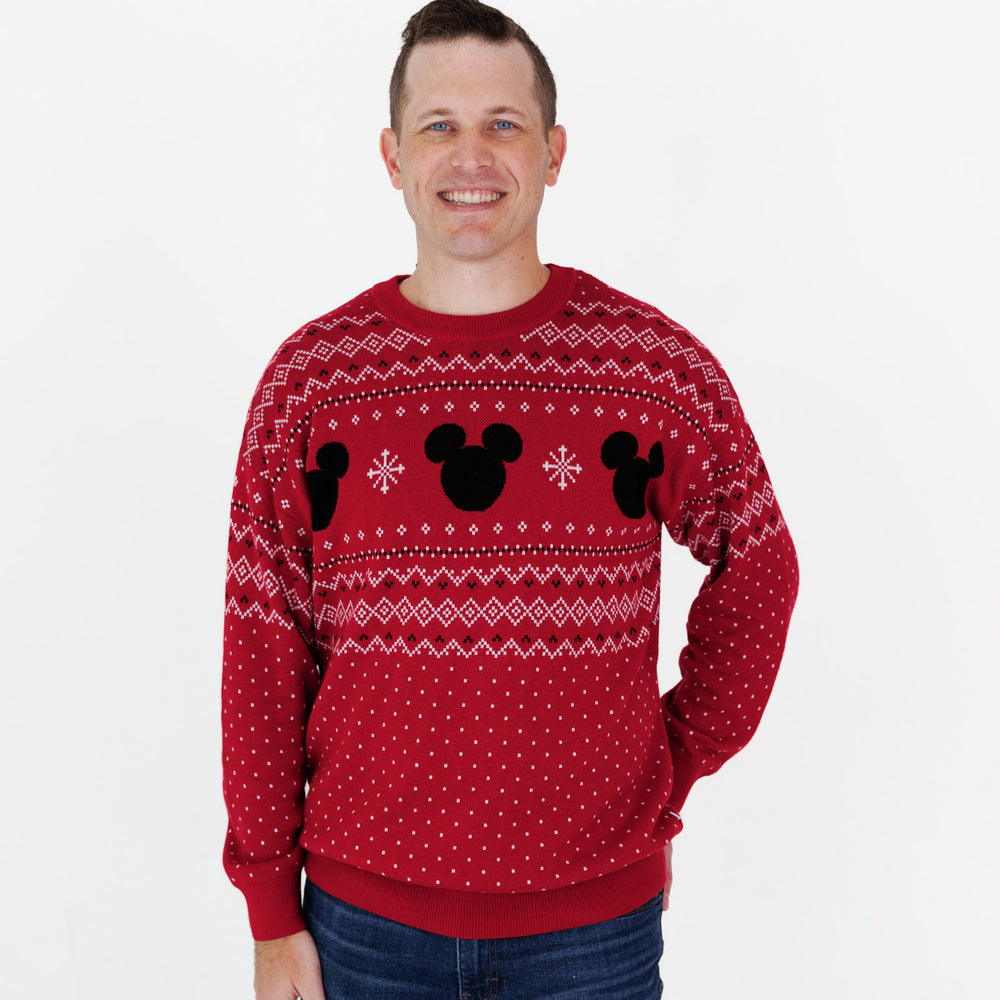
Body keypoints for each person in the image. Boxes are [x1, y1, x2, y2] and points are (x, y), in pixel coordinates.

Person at [222, 2, 799, 997]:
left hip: (591, 933)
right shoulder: (312, 384)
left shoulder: (649, 367)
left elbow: (758, 558)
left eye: (503, 123)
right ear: (392, 156)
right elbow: (262, 653)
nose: (471, 155)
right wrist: (271, 907)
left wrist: (670, 758)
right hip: (363, 929)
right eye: (438, 126)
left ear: (554, 149)